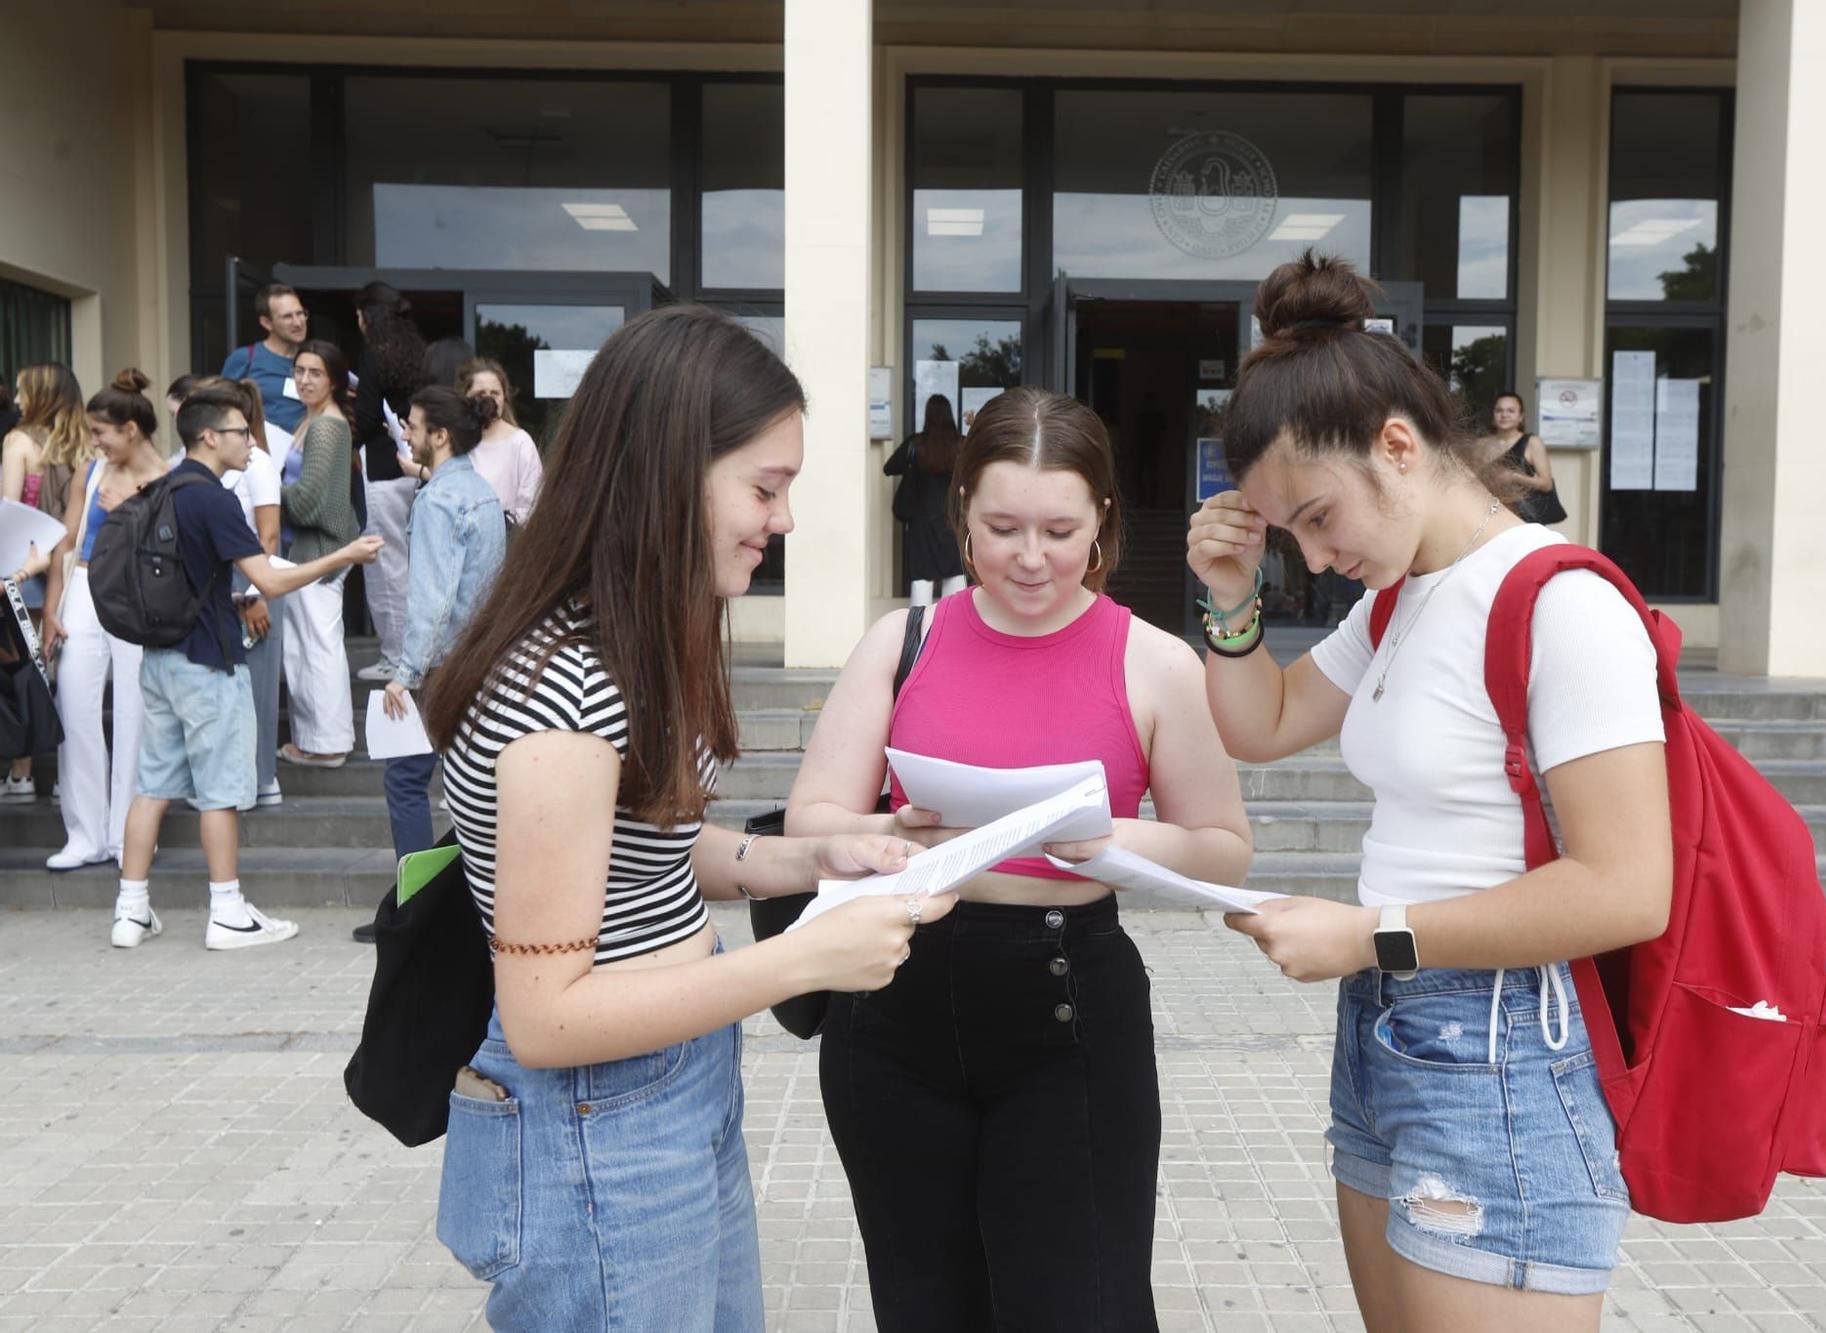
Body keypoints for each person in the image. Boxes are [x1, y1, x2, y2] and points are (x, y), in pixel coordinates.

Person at [421, 306, 956, 1331]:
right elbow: (546, 1018)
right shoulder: (563, 692)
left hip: (662, 1085)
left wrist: (808, 857)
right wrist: (809, 959)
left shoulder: (627, 648)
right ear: (667, 473)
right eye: (765, 486)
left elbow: (643, 850)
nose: (783, 520)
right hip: (595, 1118)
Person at [1185, 252, 1671, 1327]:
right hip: (1388, 1027)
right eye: (1290, 533)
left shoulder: (1559, 603)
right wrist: (1228, 604)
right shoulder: (1401, 596)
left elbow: (1629, 889)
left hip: (1498, 1040)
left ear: (1396, 446)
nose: (1311, 556)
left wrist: (1370, 934)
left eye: (1316, 516)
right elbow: (1261, 726)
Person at [786, 386, 1255, 1332]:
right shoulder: (903, 640)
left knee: (1080, 1299)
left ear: (1102, 523)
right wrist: (882, 835)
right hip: (894, 998)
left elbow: (1223, 849)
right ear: (961, 515)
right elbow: (811, 819)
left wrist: (1112, 837)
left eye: (1057, 528)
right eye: (1002, 526)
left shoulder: (1154, 660)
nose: (1029, 557)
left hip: (1067, 1001)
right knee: (923, 1299)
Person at [111, 386, 383, 950]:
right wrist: (345, 554)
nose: (251, 443)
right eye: (240, 433)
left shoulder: (163, 487)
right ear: (210, 436)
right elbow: (273, 580)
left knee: (151, 787)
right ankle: (228, 912)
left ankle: (130, 911)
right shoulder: (212, 497)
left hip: (159, 659)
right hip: (208, 663)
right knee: (219, 794)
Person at [355, 385, 507, 945]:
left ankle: (417, 913)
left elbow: (433, 598)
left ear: (440, 435)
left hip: (443, 664)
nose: (406, 436)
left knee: (406, 778)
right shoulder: (480, 492)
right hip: (478, 660)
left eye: (413, 427)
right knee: (469, 784)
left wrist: (406, 672)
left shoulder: (439, 499)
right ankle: (460, 907)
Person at [38, 371, 171, 869]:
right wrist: (52, 608)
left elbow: (169, 549)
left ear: (131, 429)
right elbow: (66, 543)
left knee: (137, 713)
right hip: (86, 590)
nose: (93, 440)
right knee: (74, 702)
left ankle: (127, 835)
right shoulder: (89, 472)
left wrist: (132, 512)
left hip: (139, 594)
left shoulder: (164, 476)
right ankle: (85, 832)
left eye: (100, 432)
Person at [278, 340, 362, 768]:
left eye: (315, 373)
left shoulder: (327, 427)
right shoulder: (313, 419)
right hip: (313, 547)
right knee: (306, 644)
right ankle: (317, 740)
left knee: (318, 646)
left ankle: (328, 743)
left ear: (333, 381)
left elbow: (308, 500)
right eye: (299, 370)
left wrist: (264, 493)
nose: (305, 379)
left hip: (322, 546)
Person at [205, 377, 287, 808]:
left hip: (256, 581)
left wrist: (257, 594)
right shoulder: (219, 465)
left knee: (256, 686)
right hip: (227, 583)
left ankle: (261, 779)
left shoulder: (258, 465)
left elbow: (269, 537)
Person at [2, 364, 81, 801]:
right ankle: (68, 774)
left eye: (20, 391)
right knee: (58, 669)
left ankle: (22, 772)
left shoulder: (18, 441)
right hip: (70, 570)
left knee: (24, 668)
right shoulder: (82, 444)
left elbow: (10, 509)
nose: (15, 400)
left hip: (25, 565)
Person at [352, 281, 430, 683]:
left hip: (383, 470)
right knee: (414, 565)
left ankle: (395, 657)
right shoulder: (417, 353)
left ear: (368, 316)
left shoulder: (373, 355)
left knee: (386, 567)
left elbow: (365, 418)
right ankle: (416, 655)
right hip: (415, 470)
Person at [436, 356, 541, 525]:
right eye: (480, 394)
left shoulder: (520, 443)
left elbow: (531, 506)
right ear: (465, 397)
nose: (488, 399)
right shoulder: (454, 441)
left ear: (504, 397)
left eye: (495, 393)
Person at [883, 393, 964, 606]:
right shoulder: (961, 446)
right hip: (952, 520)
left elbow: (889, 468)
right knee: (955, 576)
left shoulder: (915, 444)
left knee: (921, 580)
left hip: (921, 523)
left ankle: (918, 632)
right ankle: (953, 631)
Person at [220, 284, 309, 435]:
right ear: (266, 323)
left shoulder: (315, 359)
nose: (298, 322)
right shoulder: (245, 358)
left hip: (308, 452)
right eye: (287, 316)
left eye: (300, 313)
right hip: (261, 452)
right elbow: (221, 410)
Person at [1484, 390, 1566, 526]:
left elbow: (1546, 484)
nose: (1504, 415)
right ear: (1493, 415)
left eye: (1511, 411)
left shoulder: (1532, 442)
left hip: (1520, 516)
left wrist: (1513, 476)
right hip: (1487, 512)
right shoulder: (1480, 444)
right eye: (1499, 410)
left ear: (1521, 416)